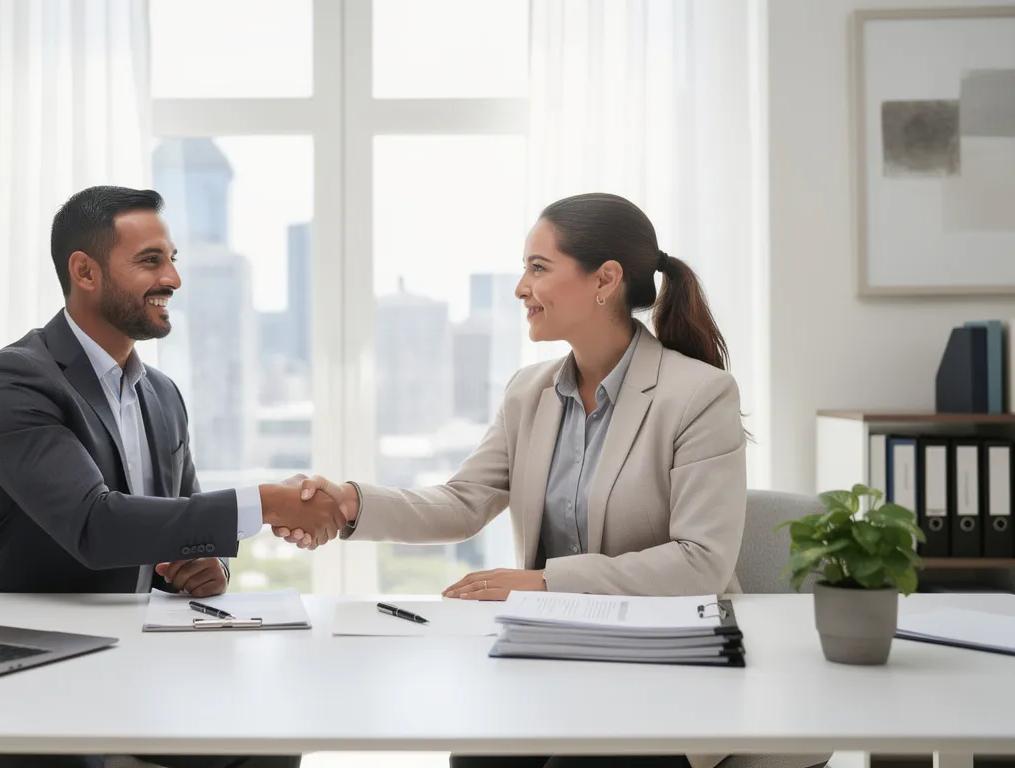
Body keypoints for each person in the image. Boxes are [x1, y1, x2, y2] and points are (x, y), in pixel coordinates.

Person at [284, 193, 829, 768]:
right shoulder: (530, 391)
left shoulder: (698, 395)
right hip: (554, 656)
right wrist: (348, 504)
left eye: (538, 268)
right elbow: (463, 502)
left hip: (666, 662)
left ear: (606, 279)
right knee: (478, 759)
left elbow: (701, 563)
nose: (521, 287)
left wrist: (543, 582)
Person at [0, 185, 337, 768]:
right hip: (23, 663)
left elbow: (178, 520)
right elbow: (94, 524)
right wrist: (267, 502)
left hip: (131, 656)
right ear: (84, 271)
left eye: (172, 259)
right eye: (150, 261)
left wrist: (204, 566)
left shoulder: (161, 394)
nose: (174, 280)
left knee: (271, 738)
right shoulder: (15, 381)